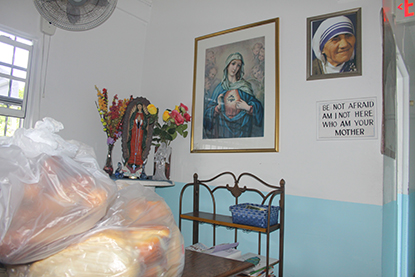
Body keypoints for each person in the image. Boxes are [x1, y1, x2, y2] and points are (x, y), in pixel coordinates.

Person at [203, 52, 264, 138]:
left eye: (238, 65)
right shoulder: (219, 88)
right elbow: (206, 115)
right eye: (233, 63)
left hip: (242, 131)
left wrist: (248, 108)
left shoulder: (244, 87)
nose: (235, 68)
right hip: (223, 131)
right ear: (227, 65)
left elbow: (259, 109)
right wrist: (218, 107)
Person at [125, 103, 148, 174]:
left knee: (139, 145)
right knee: (133, 144)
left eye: (140, 106)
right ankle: (131, 159)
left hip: (140, 132)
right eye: (138, 106)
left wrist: (141, 122)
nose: (139, 107)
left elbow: (145, 124)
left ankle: (138, 160)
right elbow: (131, 122)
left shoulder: (143, 115)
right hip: (134, 132)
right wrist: (135, 122)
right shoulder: (134, 114)